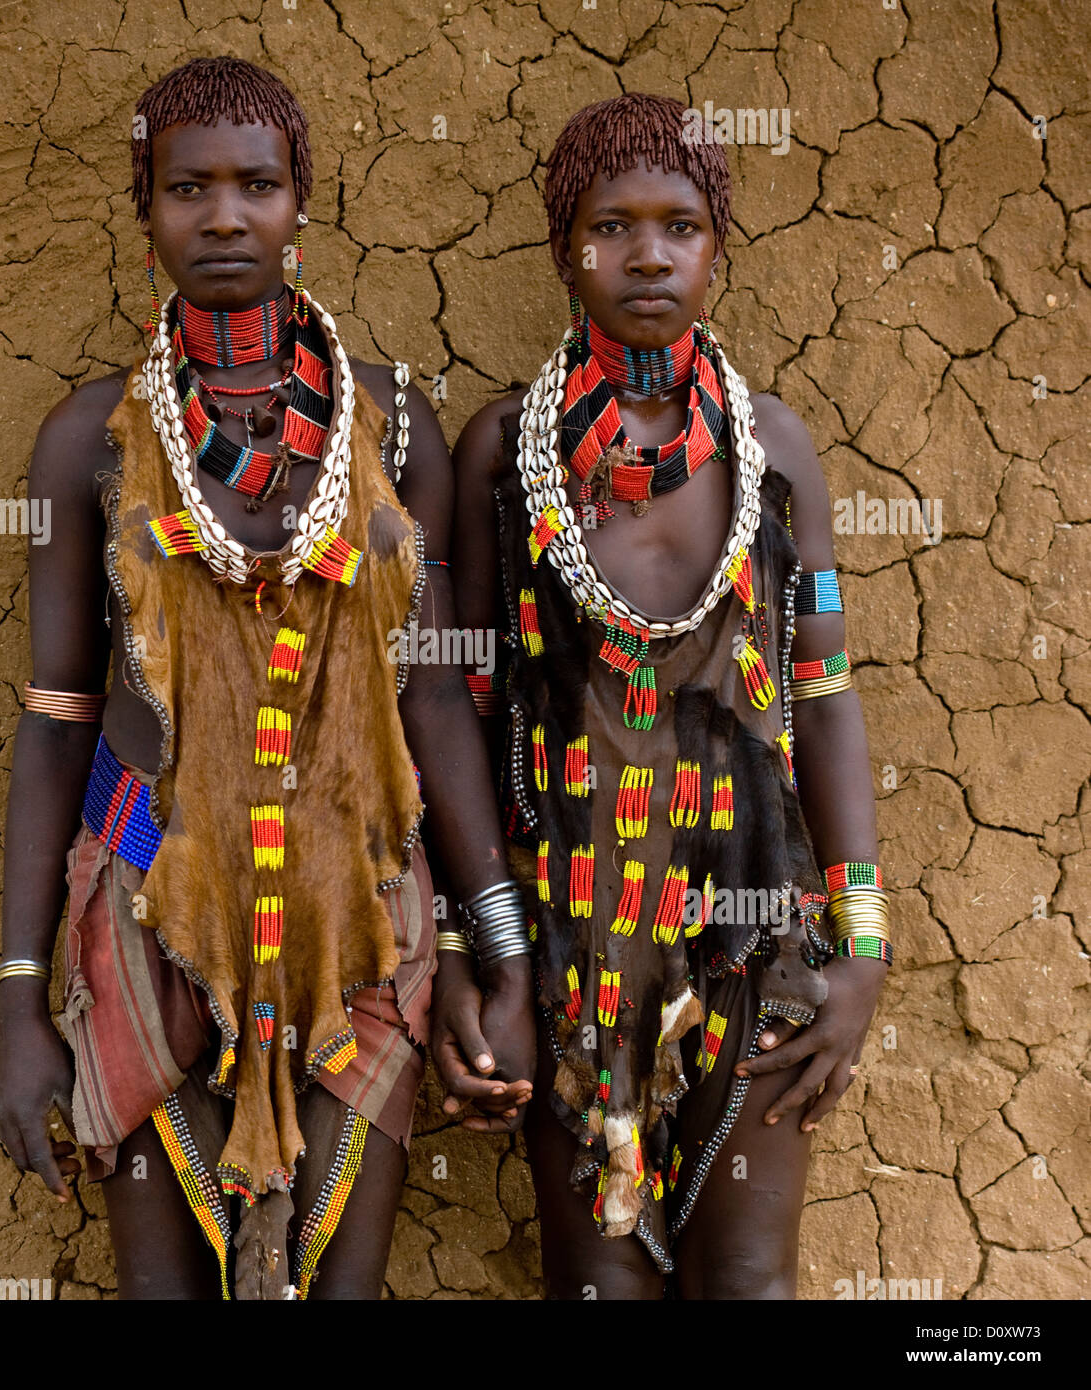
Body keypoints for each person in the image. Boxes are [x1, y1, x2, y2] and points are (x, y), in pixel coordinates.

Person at [0, 55, 530, 1301]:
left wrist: (491, 944)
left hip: (364, 924)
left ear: (301, 202)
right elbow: (57, 718)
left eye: (257, 185)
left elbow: (434, 694)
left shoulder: (391, 427)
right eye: (188, 188)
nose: (223, 215)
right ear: (146, 209)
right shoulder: (92, 437)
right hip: (143, 914)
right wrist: (22, 1000)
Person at [445, 93, 890, 1299]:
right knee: (598, 1283)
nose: (647, 253)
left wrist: (862, 946)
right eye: (612, 226)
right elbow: (463, 715)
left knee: (749, 1275)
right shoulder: (498, 454)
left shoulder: (774, 450)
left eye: (680, 224)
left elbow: (825, 690)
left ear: (717, 245)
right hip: (570, 935)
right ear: (563, 247)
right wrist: (470, 952)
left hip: (758, 927)